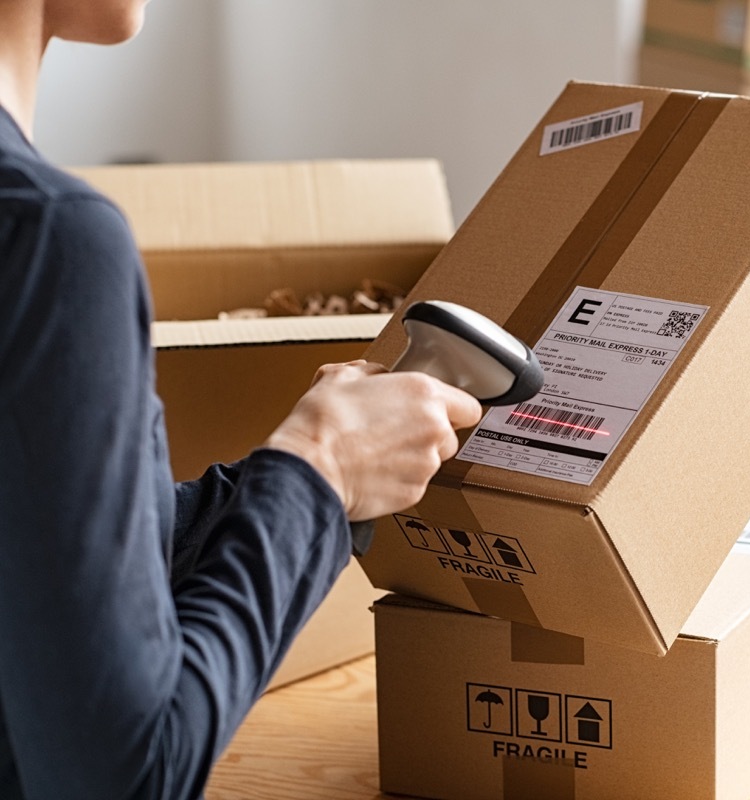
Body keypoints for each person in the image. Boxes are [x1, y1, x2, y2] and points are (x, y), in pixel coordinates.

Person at [0, 2, 482, 798]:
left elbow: (33, 544)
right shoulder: (47, 240)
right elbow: (124, 779)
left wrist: (274, 487)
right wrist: (322, 470)